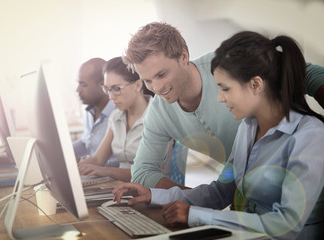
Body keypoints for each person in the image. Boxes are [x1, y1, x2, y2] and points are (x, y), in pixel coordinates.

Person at [113, 31, 324, 239]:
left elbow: (287, 224)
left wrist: (198, 215)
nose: (220, 98)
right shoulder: (247, 127)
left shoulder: (309, 136)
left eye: (225, 88)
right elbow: (223, 190)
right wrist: (155, 196)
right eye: (148, 80)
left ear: (256, 84)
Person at [122, 22, 324, 189]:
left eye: (161, 74)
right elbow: (142, 171)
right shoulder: (158, 112)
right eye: (147, 80)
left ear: (183, 57)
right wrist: (187, 198)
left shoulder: (225, 64)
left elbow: (308, 74)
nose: (156, 87)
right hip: (255, 192)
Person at [77, 57, 154, 182]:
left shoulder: (156, 116)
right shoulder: (116, 116)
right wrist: (73, 169)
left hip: (149, 191)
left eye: (117, 89)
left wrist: (106, 171)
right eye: (107, 90)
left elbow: (148, 173)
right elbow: (98, 159)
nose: (111, 97)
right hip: (120, 188)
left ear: (138, 85)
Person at [72, 58, 119, 167]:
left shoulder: (119, 113)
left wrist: (86, 164)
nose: (78, 90)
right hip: (95, 172)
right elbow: (86, 143)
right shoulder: (89, 111)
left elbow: (123, 162)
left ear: (103, 85)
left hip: (111, 176)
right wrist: (62, 152)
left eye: (83, 84)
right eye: (78, 83)